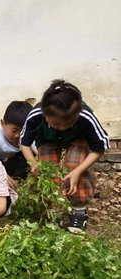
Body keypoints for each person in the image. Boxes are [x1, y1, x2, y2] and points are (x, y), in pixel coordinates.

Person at [20, 79, 109, 234]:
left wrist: (78, 171)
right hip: (46, 140)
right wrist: (33, 163)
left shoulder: (85, 116)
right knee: (47, 172)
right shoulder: (35, 115)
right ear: (45, 115)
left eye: (68, 123)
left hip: (77, 138)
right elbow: (24, 142)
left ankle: (79, 212)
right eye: (56, 124)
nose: (62, 128)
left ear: (78, 113)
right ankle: (52, 212)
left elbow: (99, 148)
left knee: (75, 167)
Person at [0, 100, 36, 189]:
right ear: (3, 123)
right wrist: (2, 174)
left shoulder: (28, 137)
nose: (18, 135)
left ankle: (21, 185)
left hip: (17, 172)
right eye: (14, 131)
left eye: (23, 131)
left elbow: (38, 151)